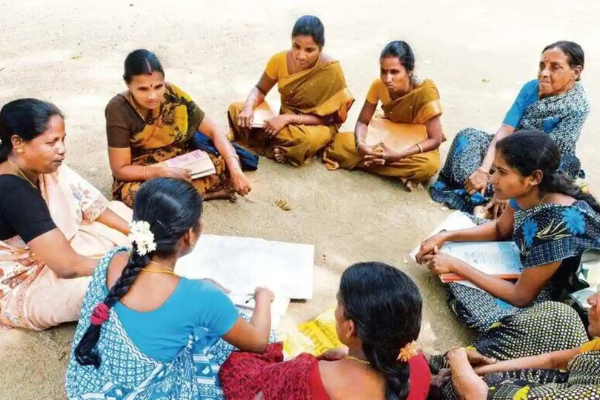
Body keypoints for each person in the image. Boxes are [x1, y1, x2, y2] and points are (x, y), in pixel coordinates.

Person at [65, 178, 274, 399]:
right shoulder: (203, 297)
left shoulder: (113, 258)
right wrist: (263, 297)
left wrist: (201, 290)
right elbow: (258, 342)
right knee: (221, 347)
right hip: (143, 392)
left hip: (91, 382)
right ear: (189, 236)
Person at [417, 131, 600, 333]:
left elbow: (521, 297)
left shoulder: (556, 224)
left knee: (492, 316)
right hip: (527, 260)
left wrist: (455, 265)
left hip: (559, 288)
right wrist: (446, 235)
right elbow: (500, 229)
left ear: (534, 177)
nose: (492, 179)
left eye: (502, 173)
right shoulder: (528, 193)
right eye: (495, 170)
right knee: (462, 230)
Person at [0, 99, 131, 332]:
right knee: (108, 287)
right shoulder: (13, 191)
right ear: (18, 143)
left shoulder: (42, 165)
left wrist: (135, 231)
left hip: (52, 248)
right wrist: (131, 265)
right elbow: (68, 266)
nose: (62, 149)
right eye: (52, 142)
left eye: (63, 139)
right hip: (22, 281)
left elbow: (91, 203)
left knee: (121, 215)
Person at [219, 262, 431, 400]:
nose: (336, 311)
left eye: (339, 304)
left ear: (350, 329)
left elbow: (259, 396)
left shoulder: (305, 375)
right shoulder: (419, 365)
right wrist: (349, 355)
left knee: (241, 366)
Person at [431, 41, 590, 215]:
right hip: (511, 150)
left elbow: (547, 155)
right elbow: (505, 131)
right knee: (468, 137)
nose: (544, 73)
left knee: (563, 171)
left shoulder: (578, 106)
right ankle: (493, 200)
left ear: (575, 72)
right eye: (542, 66)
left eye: (555, 67)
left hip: (539, 166)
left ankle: (493, 200)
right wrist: (483, 170)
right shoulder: (531, 88)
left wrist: (511, 187)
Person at [106, 49, 251, 207]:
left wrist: (235, 170)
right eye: (143, 89)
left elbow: (214, 131)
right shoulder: (117, 110)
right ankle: (204, 195)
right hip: (143, 170)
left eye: (158, 86)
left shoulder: (174, 94)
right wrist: (161, 172)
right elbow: (120, 169)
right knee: (137, 195)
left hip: (180, 160)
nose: (153, 96)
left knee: (226, 164)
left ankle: (182, 199)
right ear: (128, 84)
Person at [227, 15, 354, 167]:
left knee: (304, 141)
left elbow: (329, 119)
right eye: (296, 46)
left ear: (321, 48)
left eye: (309, 50)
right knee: (237, 109)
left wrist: (288, 119)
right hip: (283, 121)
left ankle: (276, 144)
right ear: (291, 41)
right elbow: (260, 89)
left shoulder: (331, 70)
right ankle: (284, 149)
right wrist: (248, 107)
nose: (300, 55)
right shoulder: (279, 60)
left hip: (315, 126)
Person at [431, 292, 600, 399]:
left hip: (574, 391)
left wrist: (457, 358)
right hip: (573, 381)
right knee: (561, 318)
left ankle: (444, 389)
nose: (591, 299)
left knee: (495, 386)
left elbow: (479, 397)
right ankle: (445, 370)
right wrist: (474, 370)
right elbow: (552, 360)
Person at [324, 40, 444, 191]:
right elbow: (362, 121)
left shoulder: (426, 91)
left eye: (394, 72)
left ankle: (378, 163)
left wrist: (398, 155)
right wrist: (361, 146)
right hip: (386, 132)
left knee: (428, 166)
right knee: (339, 145)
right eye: (384, 71)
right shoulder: (378, 86)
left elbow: (435, 139)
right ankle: (397, 171)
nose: (387, 79)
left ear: (410, 70)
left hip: (415, 140)